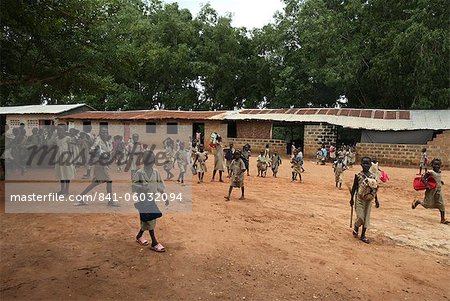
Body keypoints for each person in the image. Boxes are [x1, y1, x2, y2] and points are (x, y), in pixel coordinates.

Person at [133, 150, 167, 252]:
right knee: (149, 220)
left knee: (146, 219)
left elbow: (160, 186)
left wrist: (164, 196)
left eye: (152, 159)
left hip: (152, 200)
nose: (150, 162)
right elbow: (134, 186)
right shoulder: (139, 173)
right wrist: (141, 188)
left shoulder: (156, 173)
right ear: (144, 161)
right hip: (142, 200)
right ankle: (154, 242)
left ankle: (139, 236)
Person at [76, 128, 117, 207]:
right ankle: (110, 201)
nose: (104, 134)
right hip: (100, 164)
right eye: (102, 132)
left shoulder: (107, 142)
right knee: (109, 181)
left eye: (106, 132)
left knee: (96, 183)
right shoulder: (98, 141)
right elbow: (91, 150)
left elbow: (108, 152)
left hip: (104, 164)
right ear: (99, 133)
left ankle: (81, 196)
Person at [349, 157, 380, 243]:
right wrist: (351, 199)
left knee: (366, 218)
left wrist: (376, 200)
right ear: (361, 164)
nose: (366, 165)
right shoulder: (358, 175)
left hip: (369, 199)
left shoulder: (373, 176)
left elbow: (374, 189)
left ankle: (363, 235)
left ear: (370, 165)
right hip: (359, 198)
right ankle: (356, 226)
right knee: (360, 217)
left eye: (367, 164)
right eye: (364, 163)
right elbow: (354, 187)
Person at [412, 159, 449, 224]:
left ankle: (442, 219)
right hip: (431, 190)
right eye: (435, 164)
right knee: (426, 204)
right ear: (432, 165)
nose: (437, 166)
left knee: (441, 204)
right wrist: (427, 185)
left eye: (438, 164)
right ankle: (418, 201)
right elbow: (423, 178)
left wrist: (440, 181)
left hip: (438, 191)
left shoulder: (439, 172)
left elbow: (436, 179)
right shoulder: (430, 172)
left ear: (440, 165)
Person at [50, 124, 75, 195]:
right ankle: (62, 189)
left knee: (67, 174)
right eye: (58, 130)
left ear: (65, 131)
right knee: (61, 174)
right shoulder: (56, 139)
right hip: (59, 159)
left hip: (66, 158)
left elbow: (70, 150)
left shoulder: (68, 138)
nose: (59, 131)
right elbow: (51, 144)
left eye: (61, 130)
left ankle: (66, 191)